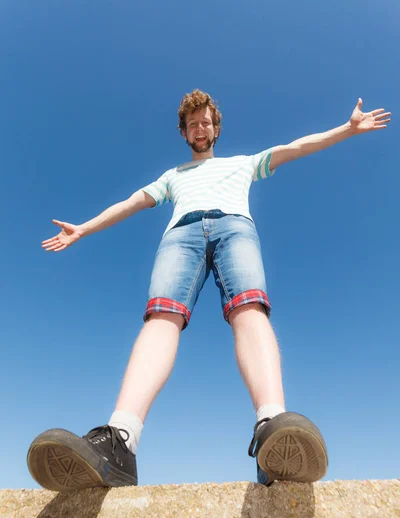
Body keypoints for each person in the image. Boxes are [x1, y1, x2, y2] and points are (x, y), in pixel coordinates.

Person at [27, 90, 390, 491]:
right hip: (180, 236)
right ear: (184, 132)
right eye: (192, 124)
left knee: (249, 309)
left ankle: (272, 427)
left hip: (235, 227)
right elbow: (131, 202)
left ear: (215, 128)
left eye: (206, 122)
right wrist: (85, 228)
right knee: (161, 317)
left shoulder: (243, 163)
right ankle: (119, 440)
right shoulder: (173, 176)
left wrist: (346, 129)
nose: (200, 128)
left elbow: (294, 147)